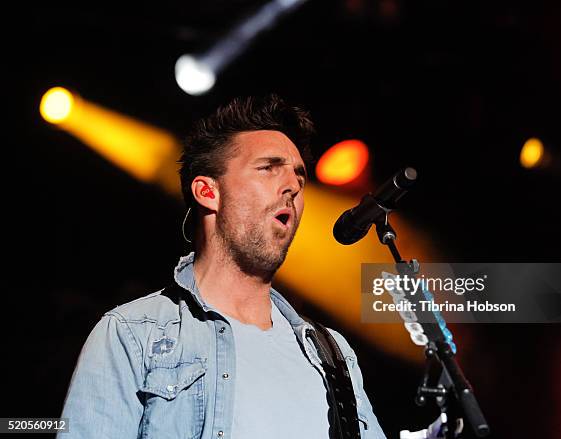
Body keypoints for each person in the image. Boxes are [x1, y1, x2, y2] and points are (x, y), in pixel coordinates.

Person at [60, 94, 387, 439]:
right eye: (268, 168)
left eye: (299, 177)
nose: (293, 186)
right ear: (207, 191)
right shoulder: (133, 335)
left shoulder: (332, 353)